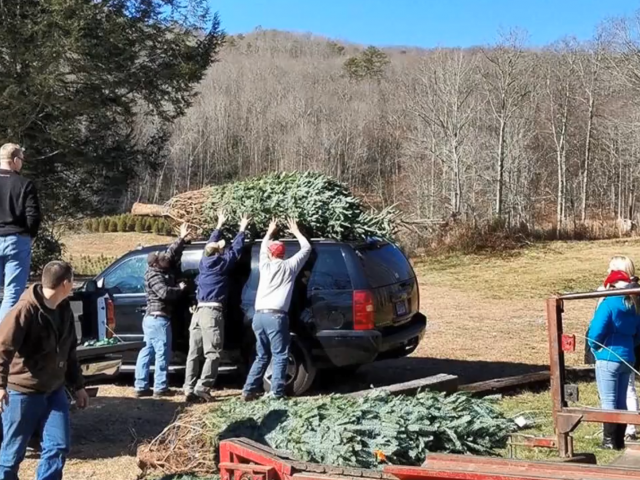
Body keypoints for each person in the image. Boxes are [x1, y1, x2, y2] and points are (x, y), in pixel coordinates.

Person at [0, 261, 88, 480]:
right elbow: (2, 348)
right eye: (73, 281)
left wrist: (78, 386)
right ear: (66, 283)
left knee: (58, 446)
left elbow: (69, 352)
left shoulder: (64, 308)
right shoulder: (24, 309)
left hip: (54, 391)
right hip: (22, 392)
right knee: (11, 456)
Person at [184, 211, 250, 402]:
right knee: (212, 353)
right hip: (211, 313)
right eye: (221, 249)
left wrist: (219, 225)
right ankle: (202, 388)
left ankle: (188, 387)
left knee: (193, 353)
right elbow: (236, 250)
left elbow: (211, 244)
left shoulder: (204, 262)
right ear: (219, 253)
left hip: (197, 313)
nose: (223, 249)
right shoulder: (220, 265)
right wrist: (242, 228)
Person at [242, 218, 311, 400]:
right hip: (276, 317)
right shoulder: (289, 267)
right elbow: (306, 249)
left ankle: (248, 389)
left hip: (258, 317)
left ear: (271, 254)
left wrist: (269, 231)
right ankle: (276, 392)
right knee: (280, 354)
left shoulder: (264, 266)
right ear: (283, 254)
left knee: (262, 355)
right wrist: (296, 231)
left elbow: (264, 246)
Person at [587, 255, 640, 450]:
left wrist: (595, 347)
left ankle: (609, 441)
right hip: (627, 356)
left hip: (608, 354)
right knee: (621, 399)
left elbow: (595, 331)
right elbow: (638, 333)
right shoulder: (633, 305)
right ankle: (619, 439)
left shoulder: (609, 303)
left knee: (608, 399)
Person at [134, 223, 190, 398]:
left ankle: (141, 385)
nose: (164, 257)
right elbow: (164, 293)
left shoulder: (159, 267)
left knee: (147, 351)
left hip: (152, 320)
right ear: (156, 264)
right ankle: (160, 387)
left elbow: (171, 254)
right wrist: (180, 288)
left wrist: (181, 237)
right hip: (158, 319)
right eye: (160, 257)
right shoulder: (154, 275)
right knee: (162, 353)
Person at [0, 144, 41, 322]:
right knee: (12, 293)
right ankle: (3, 336)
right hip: (16, 240)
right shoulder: (24, 184)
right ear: (15, 160)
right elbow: (33, 215)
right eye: (22, 160)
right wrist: (30, 236)